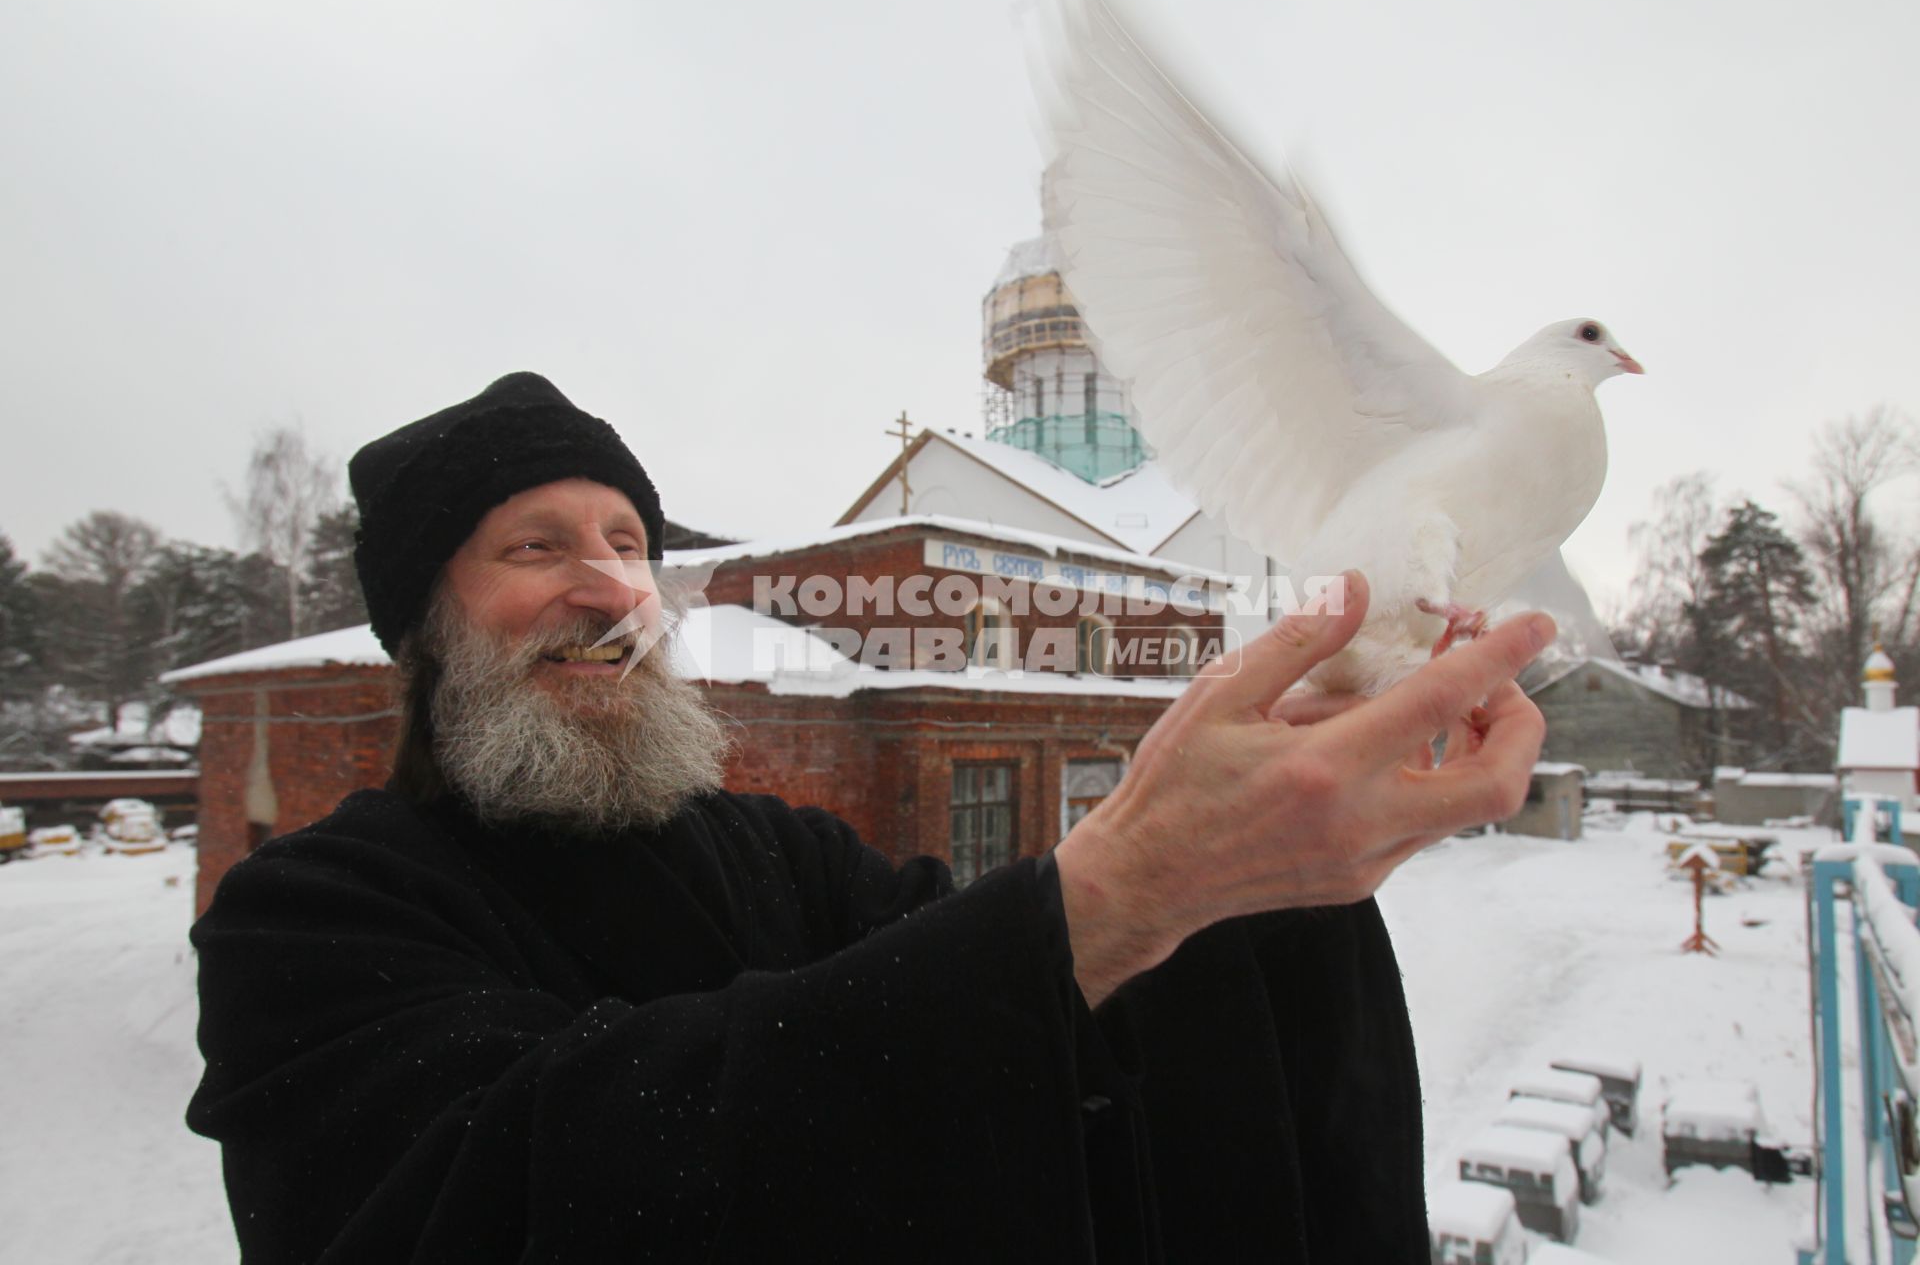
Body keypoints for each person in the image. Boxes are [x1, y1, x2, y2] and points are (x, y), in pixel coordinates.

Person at [186, 372, 1553, 1263]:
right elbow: (522, 1191)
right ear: (424, 624)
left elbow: (1041, 1015)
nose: (609, 589)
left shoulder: (769, 851)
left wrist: (1243, 872)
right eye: (537, 547)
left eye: (625, 546)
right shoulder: (314, 916)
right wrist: (1120, 887)